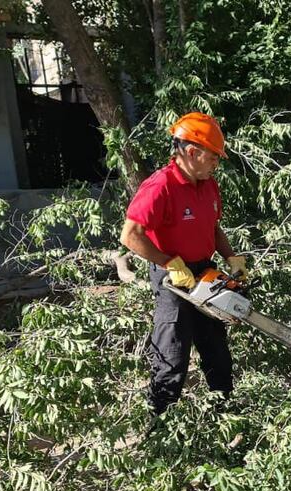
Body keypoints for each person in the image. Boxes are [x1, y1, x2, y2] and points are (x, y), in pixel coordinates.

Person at [120, 112, 248, 415]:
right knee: (171, 356)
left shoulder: (208, 185)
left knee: (217, 353)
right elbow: (130, 235)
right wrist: (168, 262)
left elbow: (213, 227)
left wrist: (231, 257)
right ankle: (160, 427)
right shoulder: (160, 186)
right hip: (171, 279)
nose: (216, 163)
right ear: (192, 152)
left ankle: (225, 417)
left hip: (205, 271)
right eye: (213, 157)